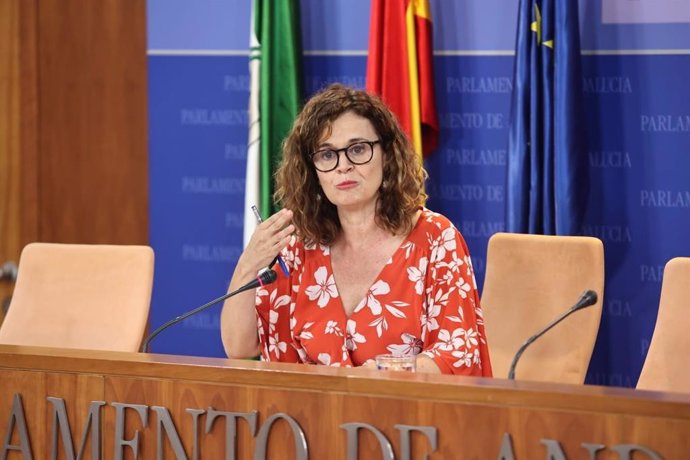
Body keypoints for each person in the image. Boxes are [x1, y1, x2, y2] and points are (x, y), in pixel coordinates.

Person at [221, 84, 491, 376]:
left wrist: (378, 375)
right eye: (327, 154)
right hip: (313, 418)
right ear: (312, 170)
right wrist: (249, 263)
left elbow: (458, 355)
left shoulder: (436, 238)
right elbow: (240, 347)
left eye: (358, 149)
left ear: (387, 154)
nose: (344, 166)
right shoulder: (298, 248)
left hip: (407, 416)